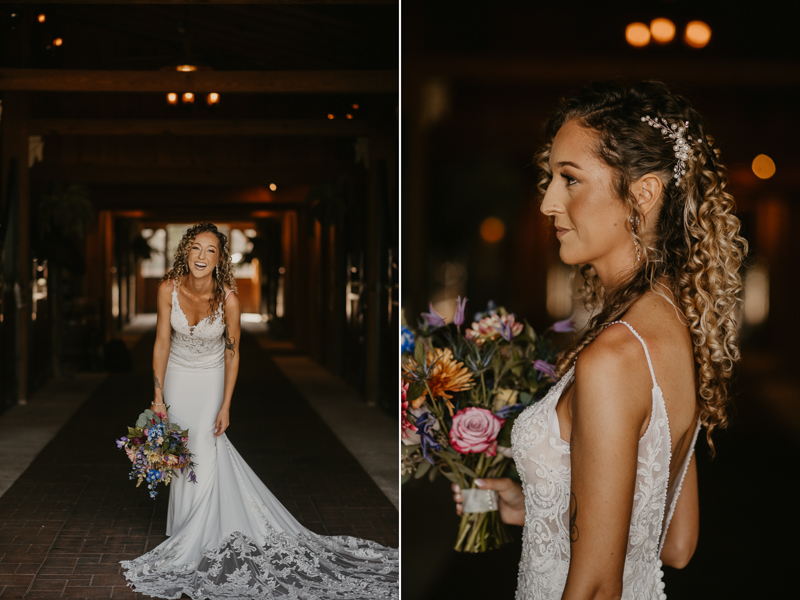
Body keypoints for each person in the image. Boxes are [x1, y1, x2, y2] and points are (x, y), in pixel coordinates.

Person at [452, 81, 747, 599]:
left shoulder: (614, 355)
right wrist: (536, 506)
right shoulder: (673, 326)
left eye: (569, 180)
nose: (547, 203)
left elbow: (593, 588)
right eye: (550, 180)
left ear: (644, 192)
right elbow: (676, 542)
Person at [121, 222, 398, 599]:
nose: (202, 257)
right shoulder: (167, 288)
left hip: (209, 378)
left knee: (203, 446)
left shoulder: (229, 299)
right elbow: (161, 343)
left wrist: (226, 404)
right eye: (196, 249)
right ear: (186, 251)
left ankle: (198, 538)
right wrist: (156, 398)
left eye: (211, 251)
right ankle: (185, 526)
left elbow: (233, 353)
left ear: (220, 259)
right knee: (180, 455)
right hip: (175, 378)